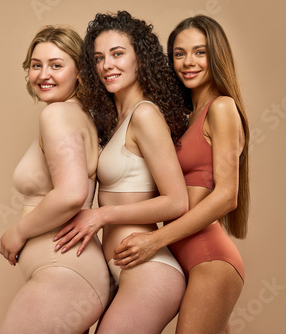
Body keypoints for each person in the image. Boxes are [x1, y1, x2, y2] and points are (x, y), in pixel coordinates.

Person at [109, 15, 250, 333]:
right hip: (185, 258)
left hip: (209, 257)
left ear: (216, 55)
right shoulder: (186, 118)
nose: (189, 62)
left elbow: (227, 196)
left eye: (200, 52)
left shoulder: (222, 108)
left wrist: (154, 239)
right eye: (179, 53)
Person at [53, 11, 189, 333]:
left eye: (117, 54)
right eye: (99, 58)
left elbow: (177, 201)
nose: (106, 65)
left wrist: (101, 216)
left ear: (139, 59)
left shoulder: (145, 115)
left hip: (150, 273)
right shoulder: (118, 120)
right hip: (125, 271)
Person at [0, 26, 111, 333]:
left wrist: (18, 232)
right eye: (36, 65)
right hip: (68, 273)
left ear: (80, 72)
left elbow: (73, 193)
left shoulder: (57, 115)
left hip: (65, 273)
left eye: (56, 65)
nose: (43, 75)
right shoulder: (77, 114)